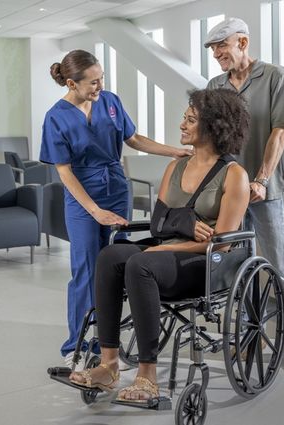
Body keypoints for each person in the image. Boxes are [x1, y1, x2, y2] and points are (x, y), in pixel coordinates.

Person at [68, 88, 251, 401]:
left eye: (190, 120)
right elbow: (158, 224)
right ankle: (109, 364)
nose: (182, 124)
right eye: (185, 117)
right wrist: (183, 225)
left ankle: (147, 377)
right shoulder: (175, 167)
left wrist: (167, 246)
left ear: (212, 127)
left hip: (203, 263)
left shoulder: (234, 175)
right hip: (166, 254)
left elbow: (220, 244)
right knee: (111, 255)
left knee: (141, 262)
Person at [40, 49, 191, 369]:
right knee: (86, 269)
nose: (99, 86)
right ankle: (77, 345)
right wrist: (94, 210)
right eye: (93, 82)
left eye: (101, 79)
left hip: (116, 189)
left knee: (119, 266)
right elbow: (64, 172)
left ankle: (109, 341)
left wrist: (173, 152)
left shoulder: (110, 101)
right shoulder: (56, 117)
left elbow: (133, 139)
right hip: (82, 198)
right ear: (71, 83)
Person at [204, 17, 284, 377]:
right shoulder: (215, 85)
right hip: (231, 192)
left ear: (242, 41)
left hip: (265, 191)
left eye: (222, 46)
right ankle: (244, 334)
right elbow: (214, 140)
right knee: (236, 267)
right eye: (212, 49)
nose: (217, 54)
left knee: (281, 265)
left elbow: (279, 133)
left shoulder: (274, 77)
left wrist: (262, 179)